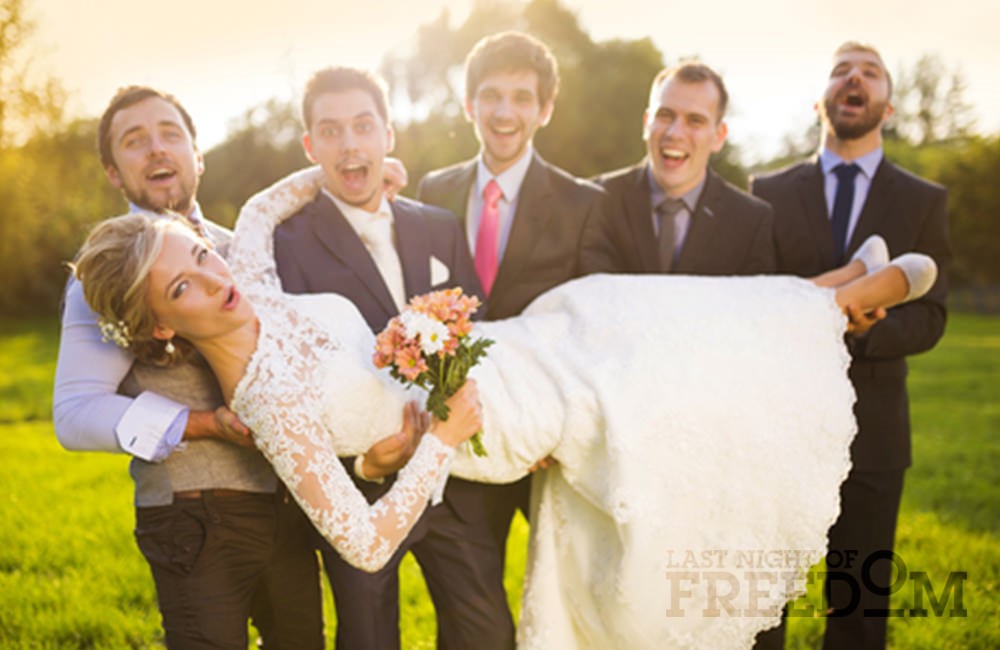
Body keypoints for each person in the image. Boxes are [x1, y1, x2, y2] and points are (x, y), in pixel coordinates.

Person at [75, 145, 937, 647]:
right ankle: (837, 304)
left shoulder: (251, 281)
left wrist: (365, 168)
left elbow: (260, 210)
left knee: (607, 307)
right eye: (181, 289)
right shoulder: (268, 407)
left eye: (198, 255)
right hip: (484, 422)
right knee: (639, 372)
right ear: (161, 332)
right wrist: (441, 441)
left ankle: (818, 292)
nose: (210, 279)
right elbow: (367, 543)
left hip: (494, 352)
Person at [51, 85, 325, 649]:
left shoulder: (243, 253)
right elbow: (75, 414)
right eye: (135, 141)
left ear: (197, 155)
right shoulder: (105, 276)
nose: (156, 149)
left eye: (169, 134)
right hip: (194, 517)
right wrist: (205, 425)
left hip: (287, 506)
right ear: (112, 170)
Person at [271, 66, 486, 650]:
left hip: (456, 482)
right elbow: (296, 382)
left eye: (364, 126)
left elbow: (475, 328)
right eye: (331, 131)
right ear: (311, 147)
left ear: (388, 135)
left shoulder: (439, 226)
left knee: (488, 634)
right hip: (363, 488)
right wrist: (366, 465)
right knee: (368, 640)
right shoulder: (285, 249)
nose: (350, 144)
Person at [750, 42, 951, 650]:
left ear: (886, 107)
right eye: (841, 71)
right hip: (777, 427)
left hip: (875, 434)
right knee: (758, 607)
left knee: (859, 614)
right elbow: (756, 295)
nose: (854, 79)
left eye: (870, 72)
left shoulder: (924, 200)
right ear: (822, 101)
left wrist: (867, 333)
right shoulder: (768, 189)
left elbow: (932, 318)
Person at [416, 34, 607, 640]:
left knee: (576, 606)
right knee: (473, 626)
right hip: (465, 436)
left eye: (522, 98)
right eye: (491, 96)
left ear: (544, 109)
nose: (505, 112)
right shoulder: (432, 193)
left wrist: (567, 426)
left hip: (552, 446)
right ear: (469, 104)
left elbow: (591, 329)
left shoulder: (583, 205)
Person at [585, 62, 775, 276]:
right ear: (647, 123)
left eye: (695, 121)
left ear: (718, 136)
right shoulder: (593, 202)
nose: (675, 133)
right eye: (665, 115)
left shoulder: (750, 221)